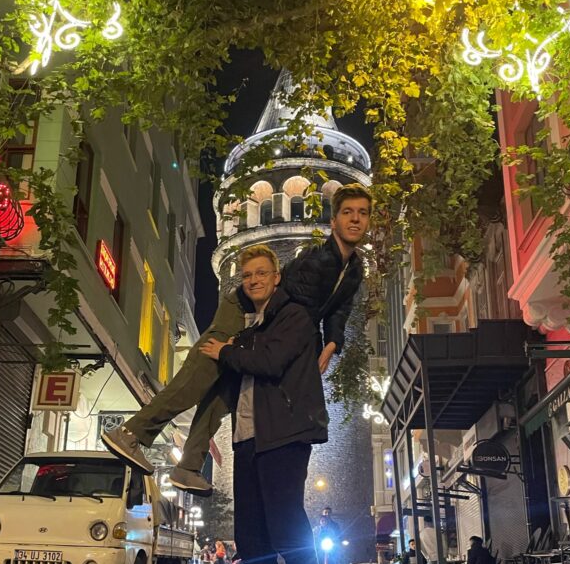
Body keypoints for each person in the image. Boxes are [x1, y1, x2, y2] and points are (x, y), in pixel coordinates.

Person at [101, 185, 371, 494]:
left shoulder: (354, 270)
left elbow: (340, 307)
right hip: (244, 310)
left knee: (224, 394)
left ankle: (188, 467)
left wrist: (332, 342)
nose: (355, 220)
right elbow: (285, 301)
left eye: (362, 213)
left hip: (268, 326)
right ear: (333, 221)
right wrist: (277, 343)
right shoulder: (315, 259)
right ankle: (132, 433)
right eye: (347, 212)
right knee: (199, 377)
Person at [200, 244, 328, 564]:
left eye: (260, 273)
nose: (252, 280)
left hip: (285, 437)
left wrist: (225, 351)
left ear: (277, 278)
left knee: (291, 537)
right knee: (253, 544)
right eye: (246, 275)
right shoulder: (250, 325)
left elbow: (270, 362)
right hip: (248, 441)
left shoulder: (295, 316)